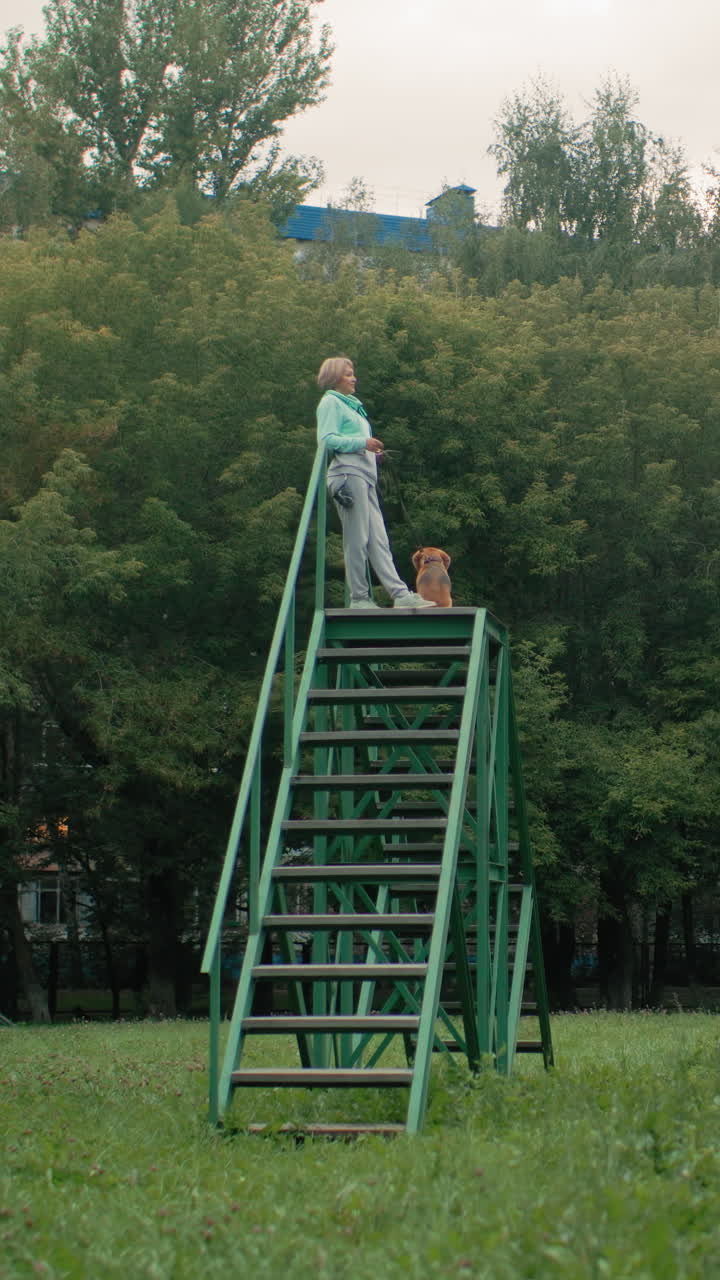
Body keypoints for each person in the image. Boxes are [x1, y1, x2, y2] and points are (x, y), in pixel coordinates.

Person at [316, 356, 436, 609]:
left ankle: (400, 595)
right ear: (335, 377)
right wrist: (363, 443)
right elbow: (326, 440)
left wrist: (374, 454)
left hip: (365, 476)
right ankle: (359, 598)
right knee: (357, 538)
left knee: (378, 539)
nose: (353, 377)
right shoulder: (330, 402)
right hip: (347, 475)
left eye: (352, 373)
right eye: (348, 374)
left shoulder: (352, 406)